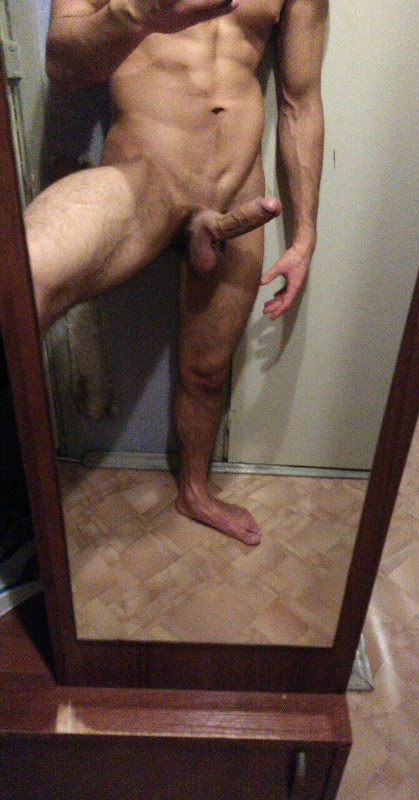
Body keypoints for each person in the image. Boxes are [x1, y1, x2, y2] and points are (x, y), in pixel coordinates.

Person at [25, 0, 327, 546]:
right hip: (143, 175)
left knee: (208, 371)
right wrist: (137, 13)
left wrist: (305, 234)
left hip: (238, 188)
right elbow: (61, 69)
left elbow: (300, 100)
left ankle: (194, 491)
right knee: (25, 284)